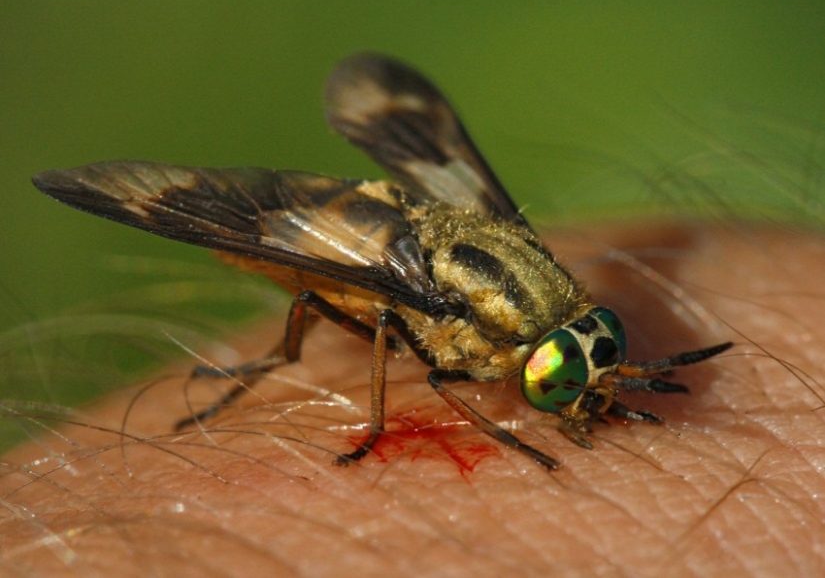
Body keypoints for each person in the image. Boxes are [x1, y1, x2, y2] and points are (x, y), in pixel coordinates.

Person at [2, 221, 824, 576]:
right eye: (578, 378)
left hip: (431, 248)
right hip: (357, 254)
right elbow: (430, 371)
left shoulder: (550, 314)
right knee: (368, 322)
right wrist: (495, 438)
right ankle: (278, 364)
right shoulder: (476, 339)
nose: (593, 385)